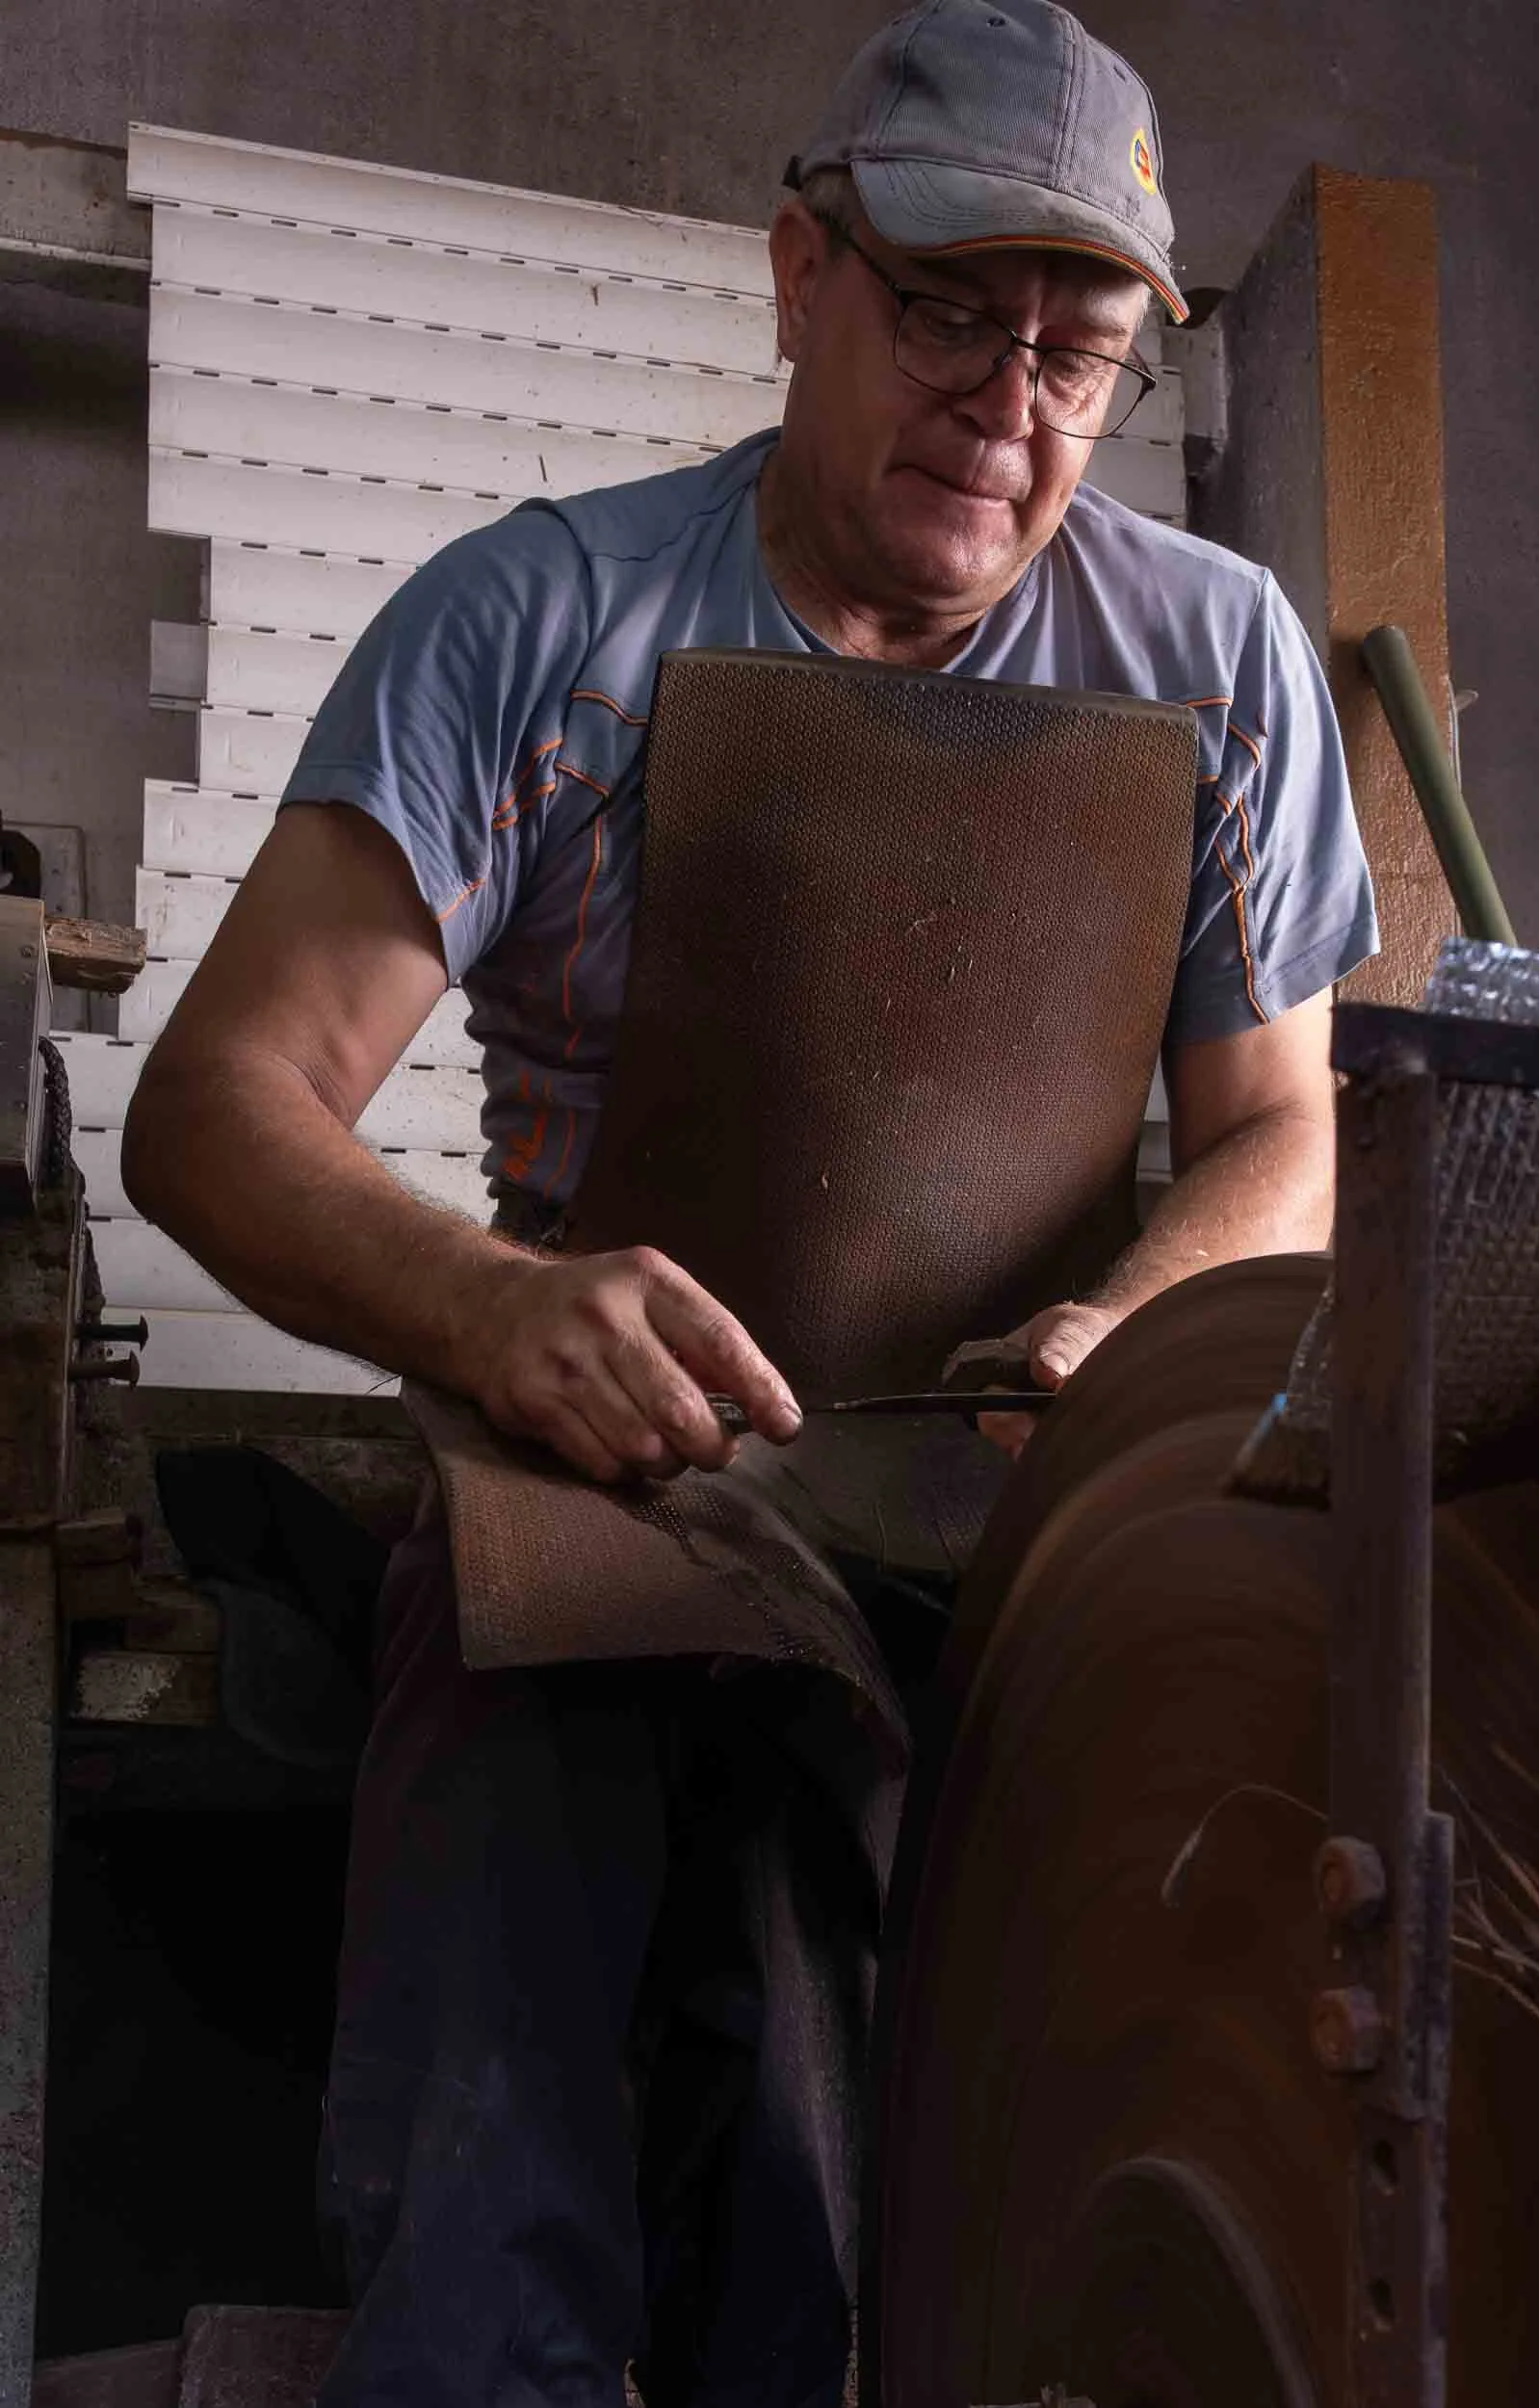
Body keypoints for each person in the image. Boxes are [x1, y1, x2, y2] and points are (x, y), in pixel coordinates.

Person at [123, 3, 1377, 2400]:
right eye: (943, 316)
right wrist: (492, 1309)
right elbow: (219, 1103)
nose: (1010, 402)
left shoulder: (1207, 661)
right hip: (589, 1476)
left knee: (887, 2183)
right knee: (501, 2160)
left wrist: (1133, 1330)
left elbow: (1282, 1135)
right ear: (797, 273)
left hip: (991, 1480)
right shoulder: (541, 621)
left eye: (1076, 352)